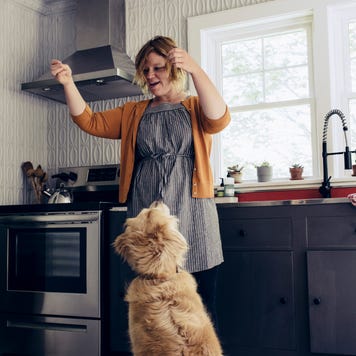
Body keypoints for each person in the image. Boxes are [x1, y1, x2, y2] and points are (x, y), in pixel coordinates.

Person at [51, 35, 231, 324]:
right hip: (147, 220)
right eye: (145, 70)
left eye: (157, 68)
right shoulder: (134, 112)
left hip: (194, 217)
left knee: (198, 309)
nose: (150, 75)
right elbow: (90, 121)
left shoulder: (196, 106)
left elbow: (219, 118)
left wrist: (196, 70)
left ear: (175, 68)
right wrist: (68, 84)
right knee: (152, 310)